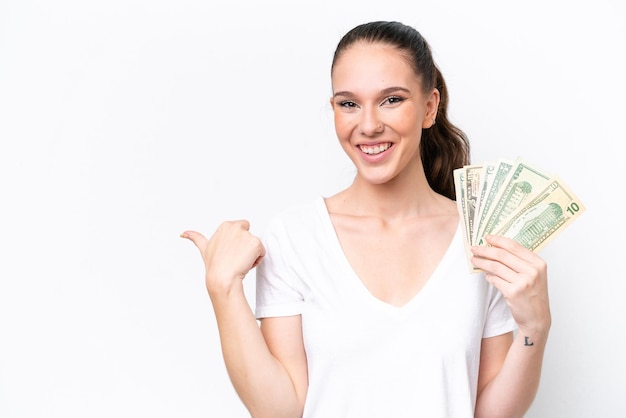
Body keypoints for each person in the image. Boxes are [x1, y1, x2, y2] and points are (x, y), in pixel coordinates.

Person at [181, 20, 551, 418]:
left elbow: (493, 413)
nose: (369, 125)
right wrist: (223, 288)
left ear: (429, 107)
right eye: (349, 103)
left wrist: (534, 329)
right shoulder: (295, 237)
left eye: (392, 99)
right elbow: (281, 411)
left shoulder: (482, 241)